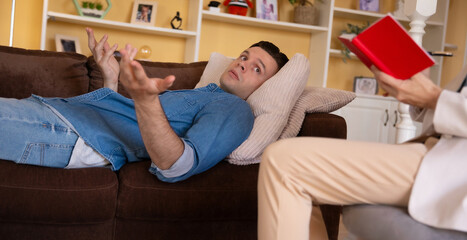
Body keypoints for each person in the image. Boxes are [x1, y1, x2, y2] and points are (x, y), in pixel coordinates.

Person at [0, 28, 288, 183]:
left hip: (68, 132)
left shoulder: (235, 111)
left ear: (266, 88)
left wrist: (147, 101)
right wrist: (110, 78)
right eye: (244, 55)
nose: (242, 63)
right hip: (60, 115)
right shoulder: (206, 93)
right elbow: (122, 121)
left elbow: (177, 166)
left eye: (257, 68)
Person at [257, 64, 467, 239]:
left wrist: (434, 98)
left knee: (283, 163)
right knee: (293, 168)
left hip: (456, 166)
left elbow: (448, 108)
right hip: (439, 148)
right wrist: (423, 98)